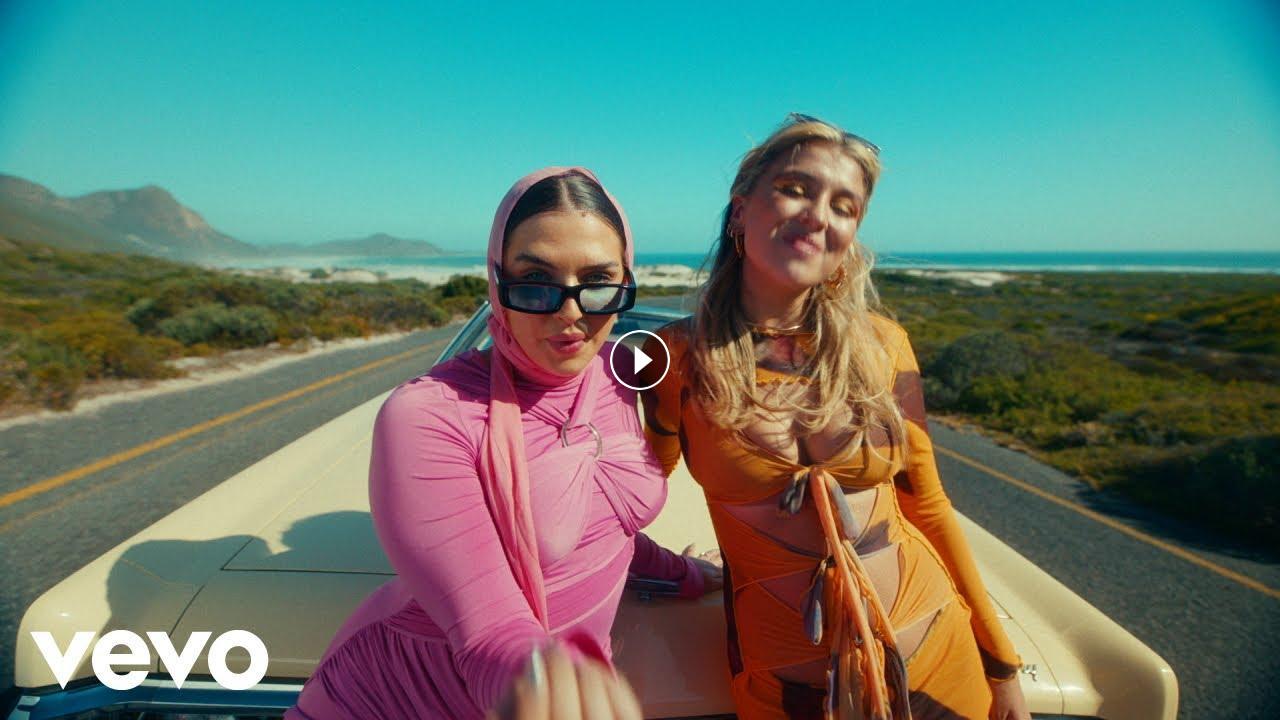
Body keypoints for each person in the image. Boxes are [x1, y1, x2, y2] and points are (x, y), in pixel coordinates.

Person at [286, 166, 719, 720]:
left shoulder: (616, 375)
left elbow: (605, 527)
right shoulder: (431, 413)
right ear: (497, 282)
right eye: (535, 282)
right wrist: (548, 688)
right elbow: (489, 634)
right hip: (397, 700)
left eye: (598, 282)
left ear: (625, 282)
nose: (570, 312)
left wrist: (680, 573)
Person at [637, 116, 1031, 720]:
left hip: (938, 660)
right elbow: (629, 496)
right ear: (740, 210)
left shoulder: (885, 346)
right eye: (795, 189)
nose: (819, 216)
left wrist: (1000, 664)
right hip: (783, 686)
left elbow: (927, 505)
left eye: (844, 206)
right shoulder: (671, 357)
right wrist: (673, 570)